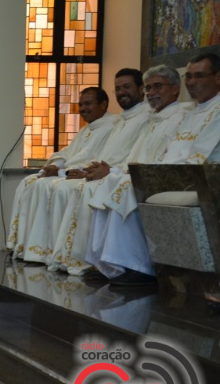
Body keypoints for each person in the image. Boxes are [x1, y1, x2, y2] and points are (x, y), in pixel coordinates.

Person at [87, 53, 220, 278]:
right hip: (173, 174)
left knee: (126, 187)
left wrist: (155, 172)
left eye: (199, 76)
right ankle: (108, 261)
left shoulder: (213, 111)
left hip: (202, 178)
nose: (192, 82)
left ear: (217, 78)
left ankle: (134, 266)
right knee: (113, 182)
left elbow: (199, 158)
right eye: (189, 76)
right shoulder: (192, 112)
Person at [47, 66, 188, 274]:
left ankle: (127, 264)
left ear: (175, 89)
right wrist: (110, 170)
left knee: (107, 186)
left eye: (157, 87)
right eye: (149, 88)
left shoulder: (181, 116)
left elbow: (166, 158)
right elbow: (132, 157)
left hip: (157, 177)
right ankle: (100, 259)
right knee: (105, 184)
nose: (152, 93)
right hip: (132, 173)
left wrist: (113, 171)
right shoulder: (153, 119)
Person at [17, 71, 150, 267]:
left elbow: (124, 156)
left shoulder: (139, 119)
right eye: (118, 88)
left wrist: (97, 171)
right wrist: (59, 166)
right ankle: (38, 250)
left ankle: (82, 258)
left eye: (126, 87)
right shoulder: (117, 122)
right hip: (101, 172)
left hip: (118, 174)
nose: (122, 92)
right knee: (32, 183)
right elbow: (73, 152)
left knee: (72, 189)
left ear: (140, 89)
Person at [6, 87, 116, 260]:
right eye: (81, 105)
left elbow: (95, 159)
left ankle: (59, 252)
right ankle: (28, 247)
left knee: (59, 188)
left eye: (88, 104)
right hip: (68, 173)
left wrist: (63, 172)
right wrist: (56, 165)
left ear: (103, 104)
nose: (83, 109)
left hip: (83, 175)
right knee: (29, 181)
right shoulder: (87, 129)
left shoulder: (111, 126)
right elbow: (68, 152)